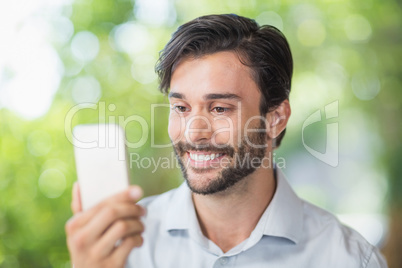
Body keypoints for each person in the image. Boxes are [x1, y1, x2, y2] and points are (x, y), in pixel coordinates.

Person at [65, 14, 388, 268]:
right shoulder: (124, 247)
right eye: (180, 108)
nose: (194, 133)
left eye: (220, 108)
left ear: (275, 118)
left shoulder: (349, 259)